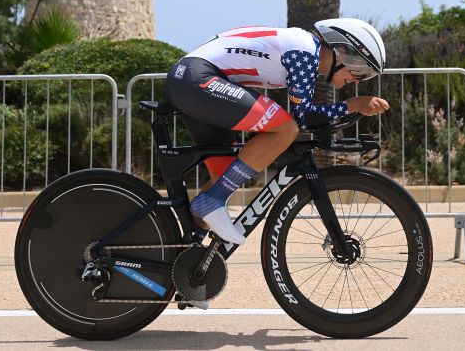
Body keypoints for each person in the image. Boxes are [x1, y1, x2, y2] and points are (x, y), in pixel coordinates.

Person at [165, 18, 390, 245]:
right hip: (197, 79)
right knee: (285, 129)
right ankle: (214, 201)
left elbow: (307, 116)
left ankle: (184, 251)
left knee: (221, 174)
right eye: (360, 72)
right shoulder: (304, 51)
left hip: (193, 79)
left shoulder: (303, 49)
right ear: (343, 53)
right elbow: (303, 118)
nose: (357, 80)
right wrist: (353, 105)